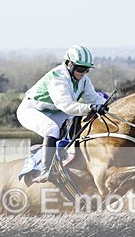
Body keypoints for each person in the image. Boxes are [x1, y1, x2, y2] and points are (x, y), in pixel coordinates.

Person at [16, 45, 109, 183]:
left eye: (87, 69)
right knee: (52, 129)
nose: (83, 73)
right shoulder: (58, 77)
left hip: (55, 111)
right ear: (69, 64)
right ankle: (44, 171)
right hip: (32, 110)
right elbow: (66, 106)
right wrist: (91, 107)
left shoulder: (84, 81)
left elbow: (95, 99)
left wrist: (114, 104)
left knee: (77, 125)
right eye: (80, 69)